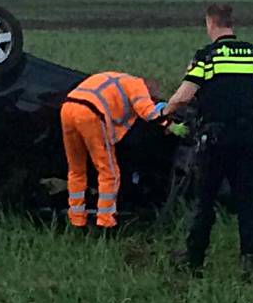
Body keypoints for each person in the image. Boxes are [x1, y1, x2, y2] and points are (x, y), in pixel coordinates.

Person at [163, 3, 253, 277]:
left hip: (215, 141)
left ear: (210, 23)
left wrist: (165, 111)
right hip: (249, 140)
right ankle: (252, 263)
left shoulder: (207, 56)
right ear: (232, 23)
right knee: (247, 201)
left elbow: (183, 97)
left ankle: (193, 260)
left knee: (204, 201)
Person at [60, 72, 180, 228]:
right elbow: (149, 113)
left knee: (76, 169)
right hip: (91, 115)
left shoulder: (117, 79)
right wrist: (170, 126)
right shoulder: (138, 86)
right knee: (109, 172)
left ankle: (76, 218)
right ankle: (106, 220)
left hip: (68, 108)